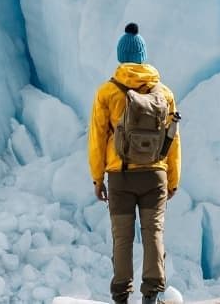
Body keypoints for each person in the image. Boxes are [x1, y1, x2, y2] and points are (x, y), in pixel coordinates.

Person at [89, 22, 181, 304]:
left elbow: (96, 137)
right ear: (143, 56)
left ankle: (121, 296)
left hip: (120, 177)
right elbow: (173, 140)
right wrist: (173, 179)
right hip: (155, 176)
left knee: (122, 238)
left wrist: (97, 178)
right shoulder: (163, 93)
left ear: (121, 56)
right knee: (153, 233)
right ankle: (151, 295)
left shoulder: (108, 92)